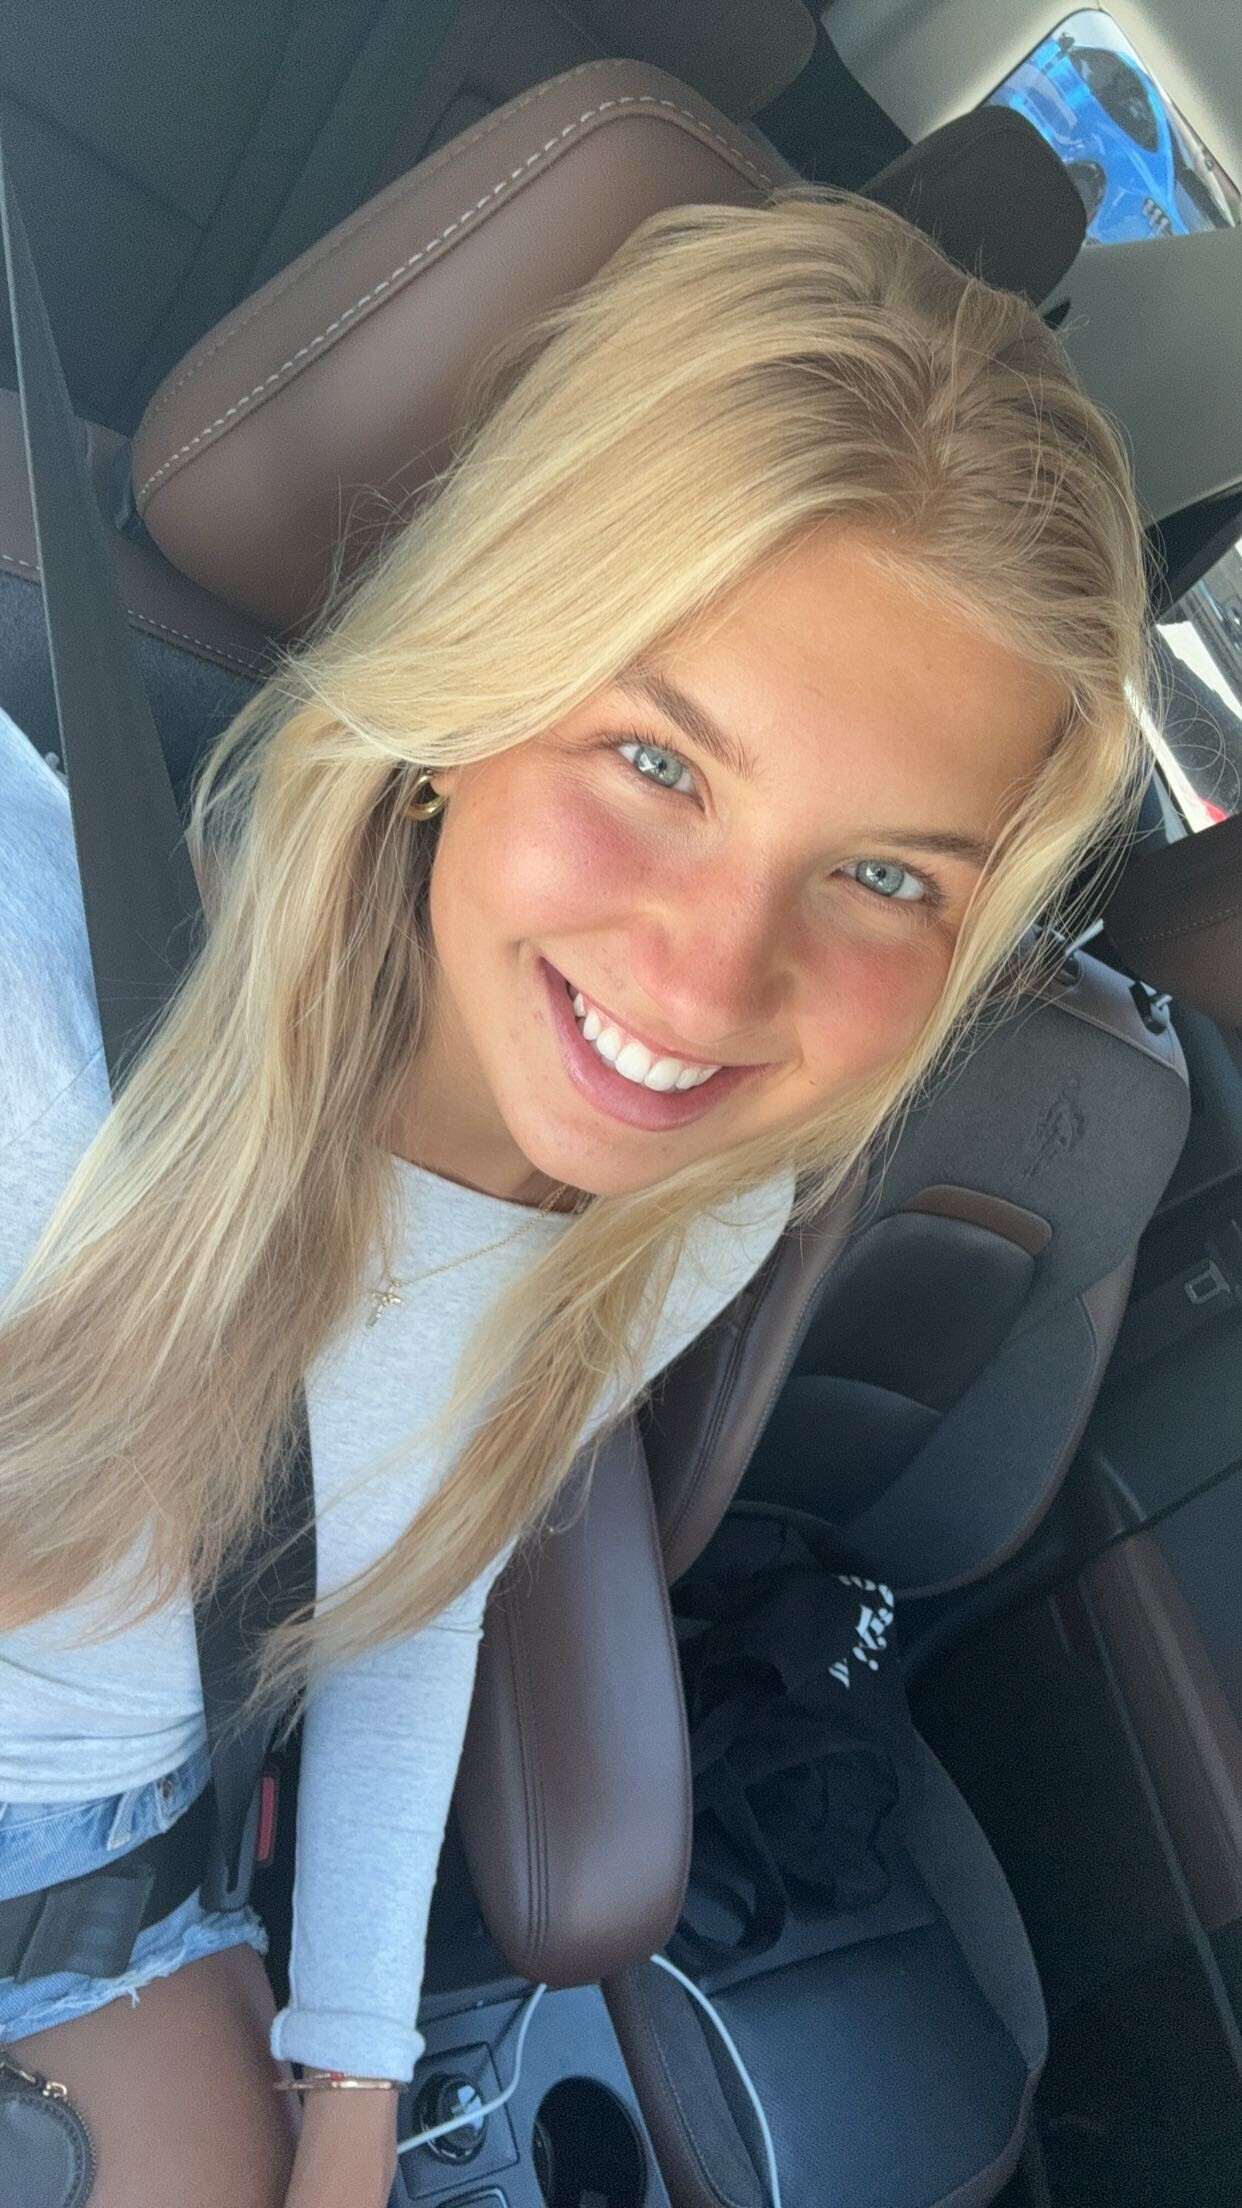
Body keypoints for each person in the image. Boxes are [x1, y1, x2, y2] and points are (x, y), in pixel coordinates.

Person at [0, 185, 1152, 2207]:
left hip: (122, 1867)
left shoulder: (693, 1201)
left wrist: (352, 2079)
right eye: (657, 763)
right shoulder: (35, 1010)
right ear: (472, 681)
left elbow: (413, 1576)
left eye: (886, 875)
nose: (707, 984)